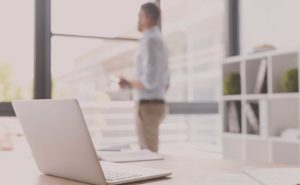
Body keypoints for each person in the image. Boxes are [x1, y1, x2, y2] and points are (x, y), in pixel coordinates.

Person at [119, 2, 169, 152]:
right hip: (155, 102)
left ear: (147, 17)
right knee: (149, 151)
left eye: (139, 16)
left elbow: (149, 80)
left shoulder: (150, 40)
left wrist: (128, 82)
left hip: (148, 105)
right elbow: (166, 81)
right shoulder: (158, 39)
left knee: (149, 154)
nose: (138, 20)